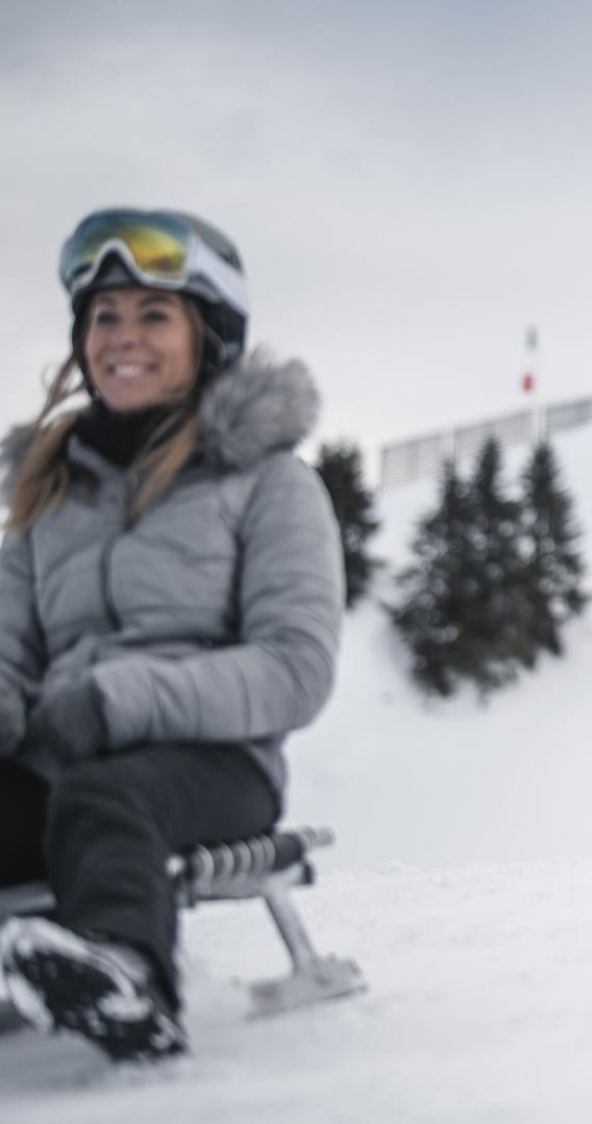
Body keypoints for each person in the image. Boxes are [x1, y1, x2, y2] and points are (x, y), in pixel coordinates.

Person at [0, 209, 343, 1062]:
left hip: (213, 763)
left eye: (155, 316)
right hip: (64, 754)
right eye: (104, 316)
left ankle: (127, 975)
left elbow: (296, 667)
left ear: (209, 337)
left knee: (105, 796)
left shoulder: (270, 485)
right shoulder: (48, 494)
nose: (123, 338)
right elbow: (6, 653)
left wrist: (121, 701)